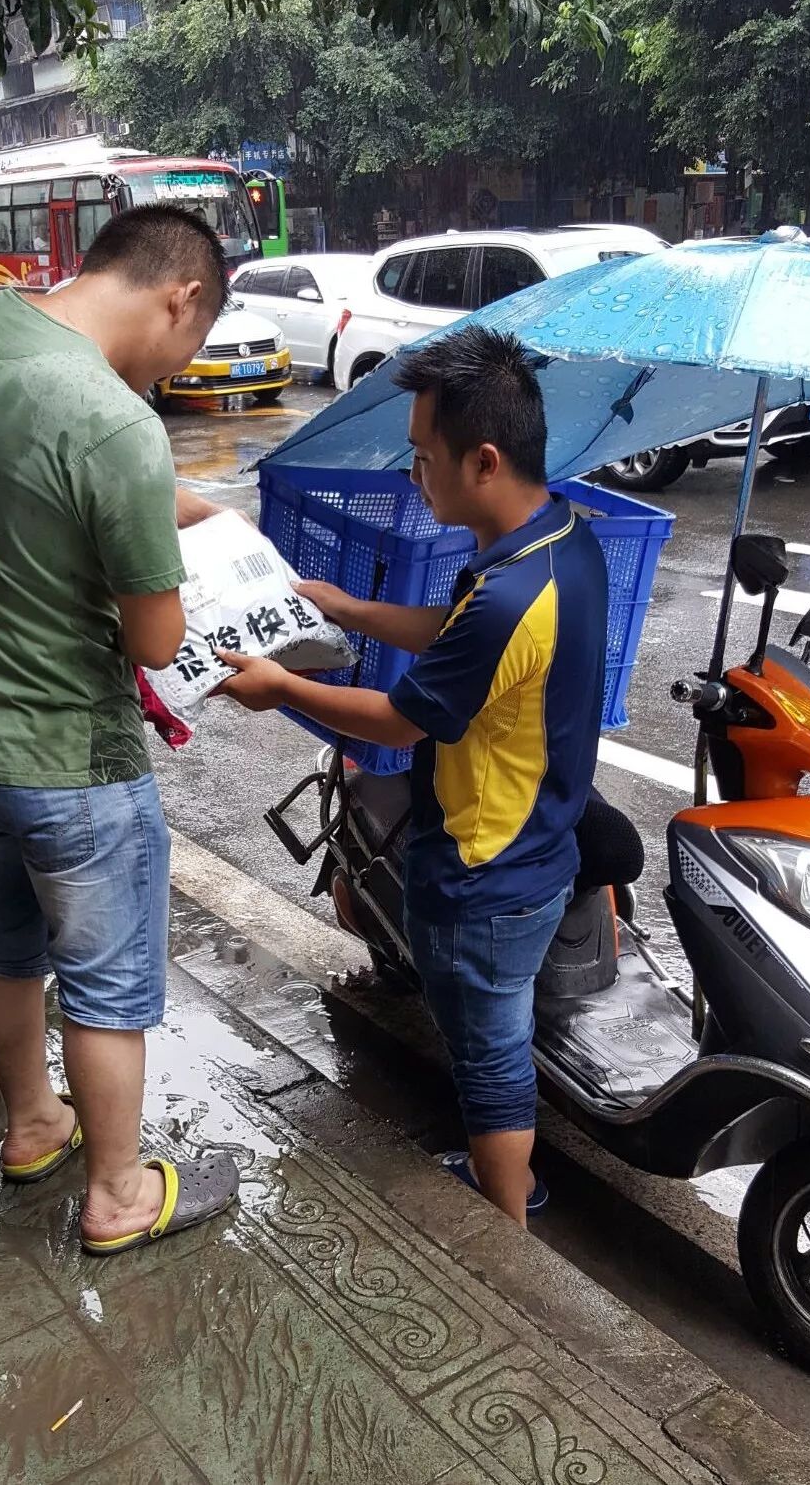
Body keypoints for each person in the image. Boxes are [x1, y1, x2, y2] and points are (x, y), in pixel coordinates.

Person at [0, 205, 240, 1256]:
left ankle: (35, 1122)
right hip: (71, 763)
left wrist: (169, 503)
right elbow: (154, 636)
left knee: (7, 940)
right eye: (196, 341)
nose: (184, 364)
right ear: (181, 298)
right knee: (109, 983)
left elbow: (29, 481)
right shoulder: (117, 423)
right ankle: (120, 1192)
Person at [217, 325, 608, 1227]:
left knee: (490, 1051)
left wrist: (281, 685)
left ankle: (508, 1210)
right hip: (539, 842)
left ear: (482, 459)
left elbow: (401, 718)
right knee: (496, 1033)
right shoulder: (558, 540)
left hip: (485, 868)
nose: (413, 474)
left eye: (424, 456)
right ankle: (510, 1175)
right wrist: (349, 606)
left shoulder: (510, 592)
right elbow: (457, 634)